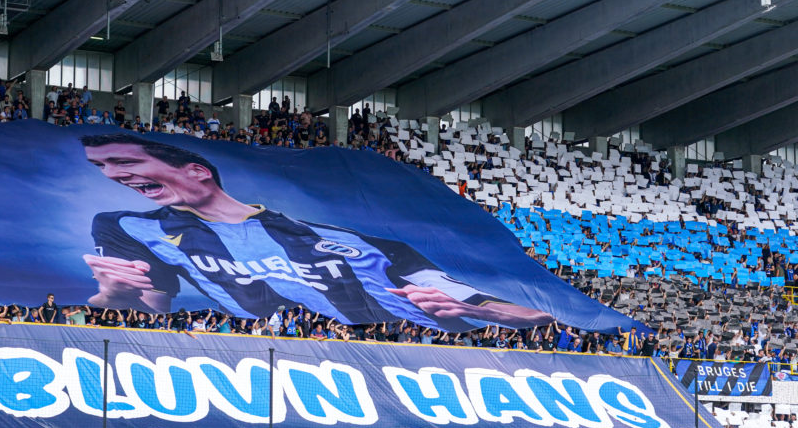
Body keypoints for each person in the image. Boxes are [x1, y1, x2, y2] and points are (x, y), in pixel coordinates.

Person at [80, 134, 553, 331]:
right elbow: (143, 310)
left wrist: (508, 317)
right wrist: (115, 293)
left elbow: (482, 303)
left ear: (199, 171)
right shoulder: (126, 226)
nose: (113, 176)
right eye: (102, 167)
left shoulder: (361, 243)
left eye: (123, 162)